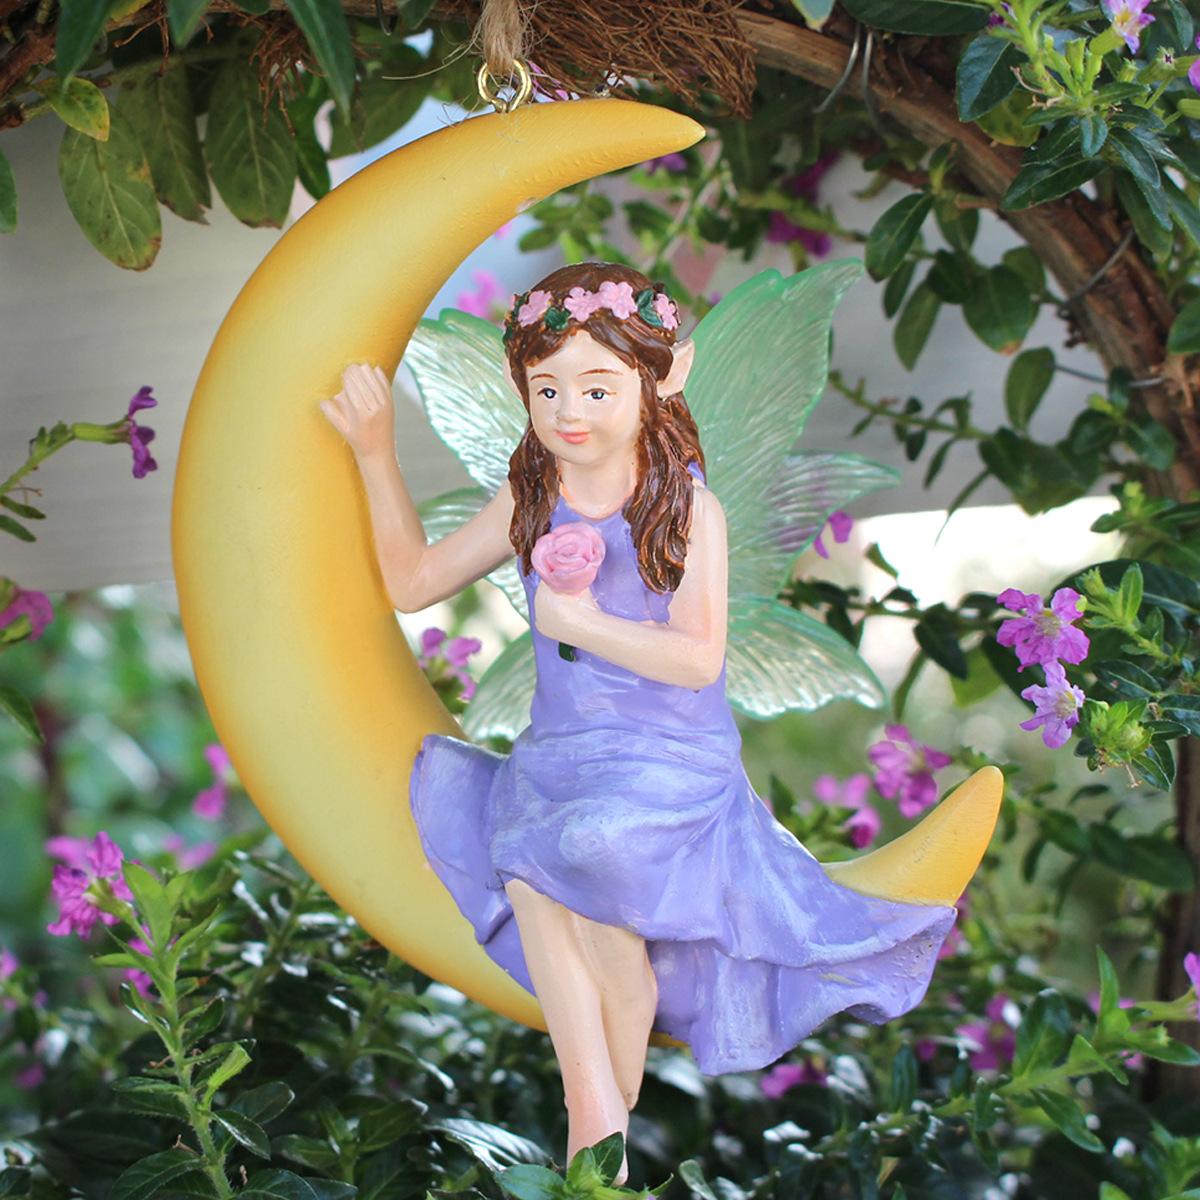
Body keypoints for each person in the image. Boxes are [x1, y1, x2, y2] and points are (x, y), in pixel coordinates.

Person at [319, 262, 958, 1184]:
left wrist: (581, 622)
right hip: (560, 755)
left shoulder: (689, 508)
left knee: (572, 845)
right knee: (539, 860)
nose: (569, 413)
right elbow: (413, 584)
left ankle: (591, 1128)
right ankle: (599, 1137)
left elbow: (698, 659)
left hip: (669, 760)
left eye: (596, 388)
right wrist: (376, 452)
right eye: (546, 389)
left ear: (665, 376)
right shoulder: (533, 494)